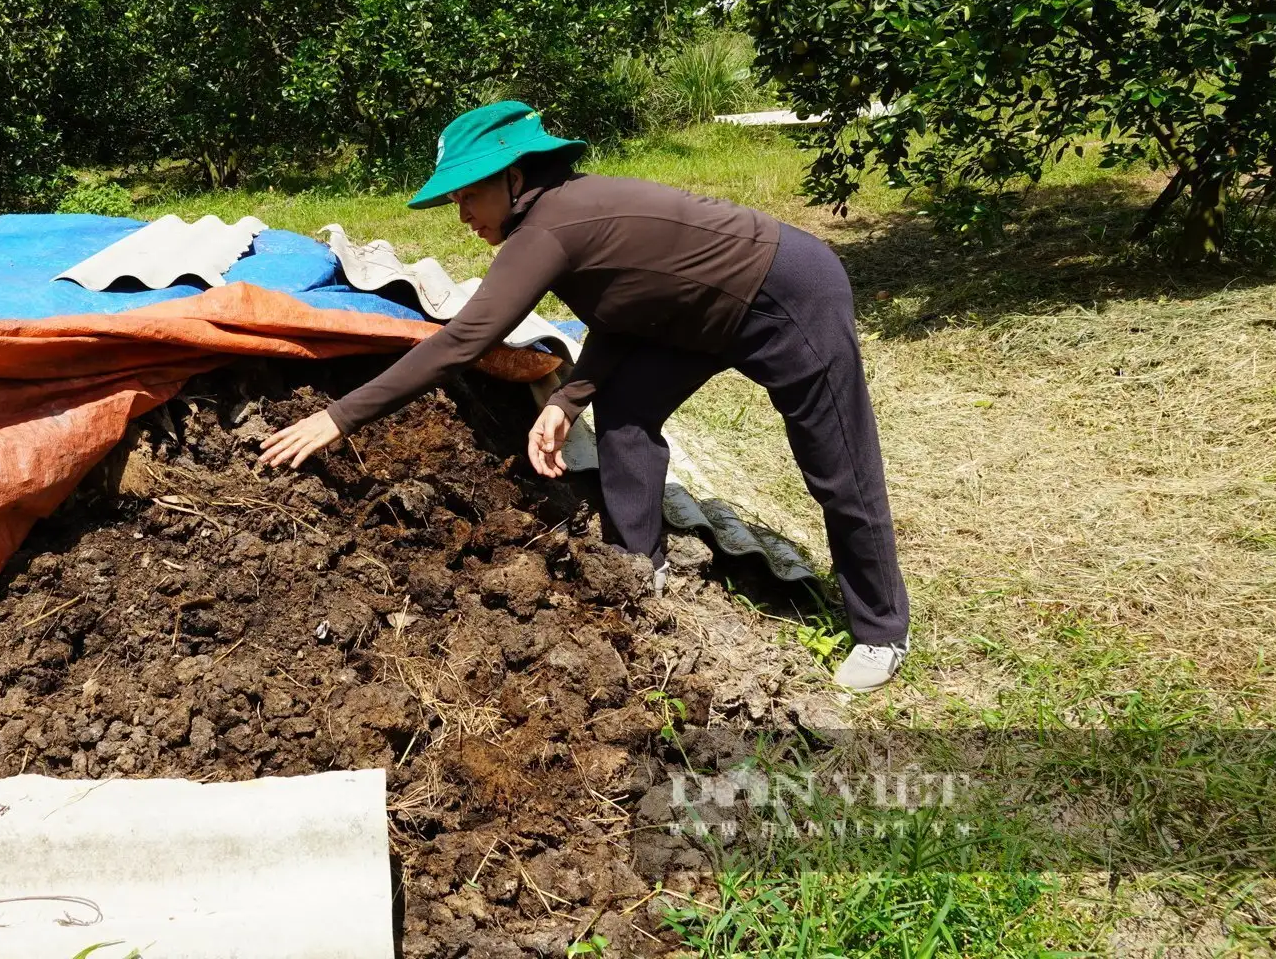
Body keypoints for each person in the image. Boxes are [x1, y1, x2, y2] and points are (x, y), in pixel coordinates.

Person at [258, 101, 910, 691]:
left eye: (466, 197)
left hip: (784, 295)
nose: (462, 217)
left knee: (838, 467)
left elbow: (461, 342)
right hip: (694, 315)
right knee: (625, 412)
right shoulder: (556, 219)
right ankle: (638, 573)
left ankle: (882, 631)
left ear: (513, 176)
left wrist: (336, 418)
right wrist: (568, 402)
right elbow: (623, 310)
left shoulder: (551, 226)